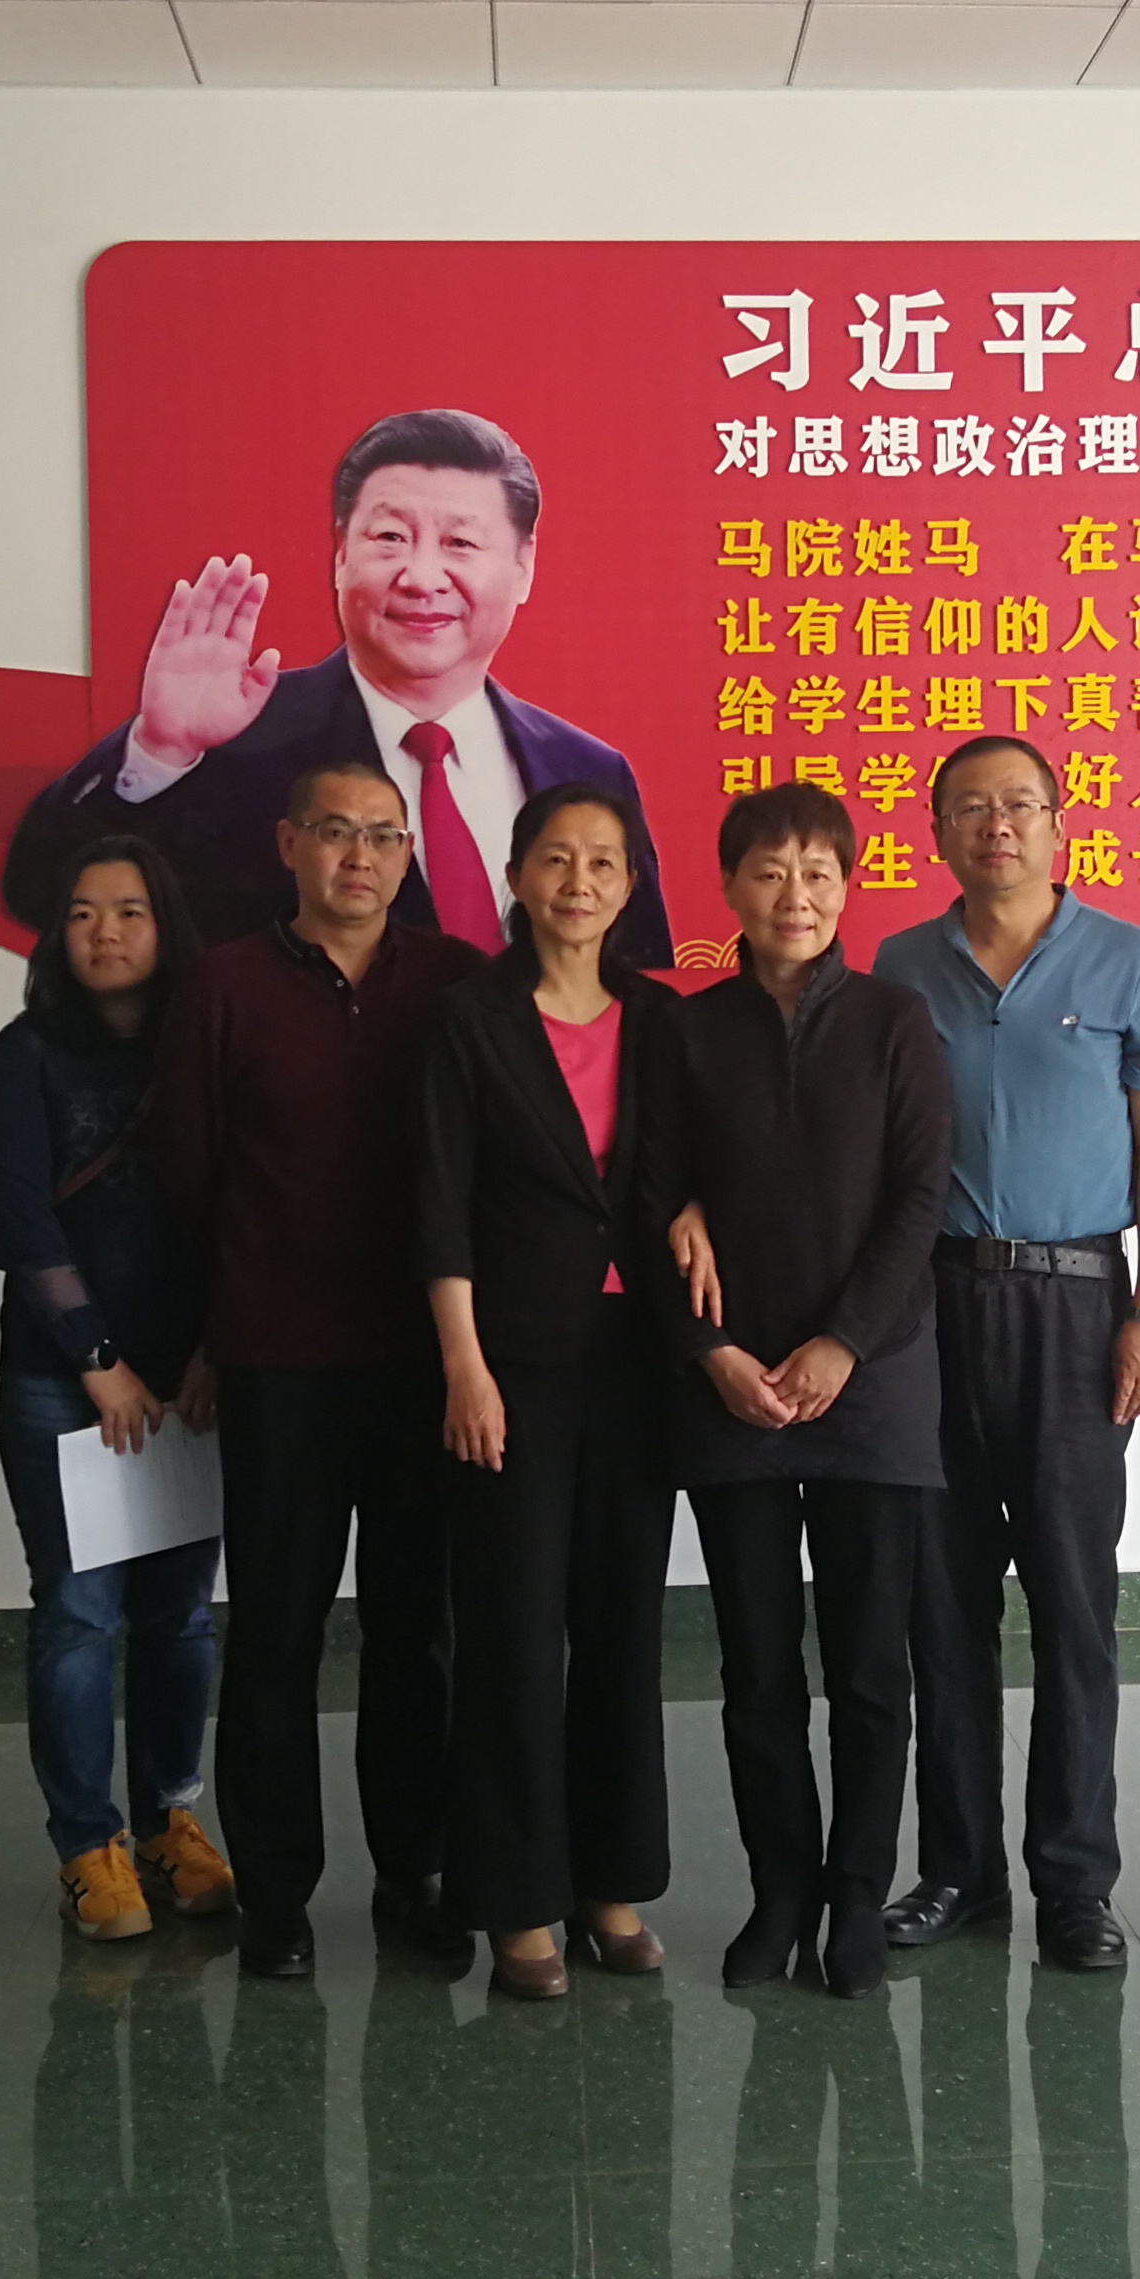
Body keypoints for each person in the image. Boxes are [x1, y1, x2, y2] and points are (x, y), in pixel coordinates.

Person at [149, 757, 485, 1981]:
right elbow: (186, 1175)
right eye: (336, 832)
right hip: (278, 1360)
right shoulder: (224, 983)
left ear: (409, 853)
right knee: (276, 1634)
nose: (360, 856)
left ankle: (414, 1873)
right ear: (289, 844)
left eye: (383, 836)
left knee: (415, 1636)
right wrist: (206, 1333)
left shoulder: (452, 979)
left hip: (418, 1364)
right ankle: (277, 1896)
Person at [874, 734, 1140, 1972]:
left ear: (1059, 824)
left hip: (1076, 1308)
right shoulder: (903, 964)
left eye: (1018, 805)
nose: (995, 825)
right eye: (969, 807)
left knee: (1073, 1605)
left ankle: (1072, 1880)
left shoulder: (1126, 959)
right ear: (938, 832)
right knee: (940, 1602)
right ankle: (958, 1868)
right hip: (932, 1310)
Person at [4, 406, 668, 966]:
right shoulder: (240, 737)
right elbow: (39, 892)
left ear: (523, 566)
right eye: (390, 537)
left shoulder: (587, 768)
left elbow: (638, 980)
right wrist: (160, 749)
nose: (421, 577)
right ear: (341, 555)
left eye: (461, 544)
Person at [647, 784, 952, 2000]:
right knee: (757, 1667)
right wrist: (710, 1353)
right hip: (730, 1389)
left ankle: (856, 1895)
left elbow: (919, 1198)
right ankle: (779, 1890)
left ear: (847, 888)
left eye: (818, 873)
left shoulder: (893, 1020)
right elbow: (648, 1199)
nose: (794, 896)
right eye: (769, 873)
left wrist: (840, 1345)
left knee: (870, 1666)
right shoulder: (686, 1031)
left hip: (871, 1386)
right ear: (729, 888)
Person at [416, 784, 680, 1999]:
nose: (579, 882)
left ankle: (608, 1883)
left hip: (633, 1363)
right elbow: (437, 1199)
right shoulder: (467, 1018)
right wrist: (461, 1364)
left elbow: (682, 1166)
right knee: (513, 1630)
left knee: (621, 1626)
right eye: (557, 860)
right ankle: (518, 1900)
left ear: (629, 886)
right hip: (509, 1363)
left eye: (603, 863)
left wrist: (692, 1211)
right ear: (517, 875)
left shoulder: (657, 1018)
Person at [0, 833, 234, 1944]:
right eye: (82, 912)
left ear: (164, 924)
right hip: (63, 1380)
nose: (104, 932)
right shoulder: (27, 1051)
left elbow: (244, 1204)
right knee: (80, 1615)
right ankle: (89, 1844)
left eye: (128, 911)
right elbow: (21, 1221)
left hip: (192, 1382)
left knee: (181, 1617)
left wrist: (214, 1349)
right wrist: (98, 1362)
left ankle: (170, 1820)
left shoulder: (205, 1043)